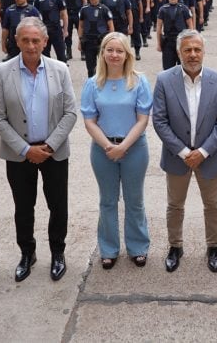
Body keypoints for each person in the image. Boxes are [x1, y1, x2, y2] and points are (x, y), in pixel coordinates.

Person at [0, 17, 77, 282]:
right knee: (24, 207)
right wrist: (26, 149)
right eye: (25, 40)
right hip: (19, 154)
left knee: (57, 206)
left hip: (54, 152)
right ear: (16, 41)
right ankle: (27, 253)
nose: (30, 45)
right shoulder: (2, 72)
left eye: (35, 40)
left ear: (45, 42)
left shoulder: (59, 69)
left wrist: (48, 146)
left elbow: (70, 112)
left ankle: (58, 253)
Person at [152, 29, 217, 273]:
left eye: (197, 49)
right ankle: (175, 246)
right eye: (187, 50)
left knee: (213, 206)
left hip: (209, 157)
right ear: (179, 52)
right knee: (175, 205)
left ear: (203, 51)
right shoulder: (165, 80)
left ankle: (213, 247)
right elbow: (160, 121)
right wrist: (184, 152)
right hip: (178, 158)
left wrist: (204, 151)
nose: (193, 54)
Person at [81, 33, 152, 269]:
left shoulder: (139, 81)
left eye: (119, 51)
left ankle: (138, 247)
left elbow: (142, 119)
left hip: (134, 148)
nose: (114, 55)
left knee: (134, 200)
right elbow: (89, 121)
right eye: (109, 50)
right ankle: (109, 249)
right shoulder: (93, 84)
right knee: (108, 200)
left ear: (127, 54)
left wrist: (123, 146)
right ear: (102, 53)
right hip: (103, 150)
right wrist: (108, 146)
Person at [78, 0, 114, 77]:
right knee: (90, 68)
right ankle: (92, 86)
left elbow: (111, 26)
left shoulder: (104, 9)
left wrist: (111, 41)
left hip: (101, 41)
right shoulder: (84, 9)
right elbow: (81, 26)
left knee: (105, 66)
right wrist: (80, 41)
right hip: (88, 41)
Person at [156, 0, 193, 70]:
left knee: (183, 67)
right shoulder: (163, 9)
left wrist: (191, 40)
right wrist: (159, 44)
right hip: (168, 41)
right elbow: (159, 27)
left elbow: (190, 25)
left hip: (181, 40)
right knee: (168, 68)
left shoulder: (184, 8)